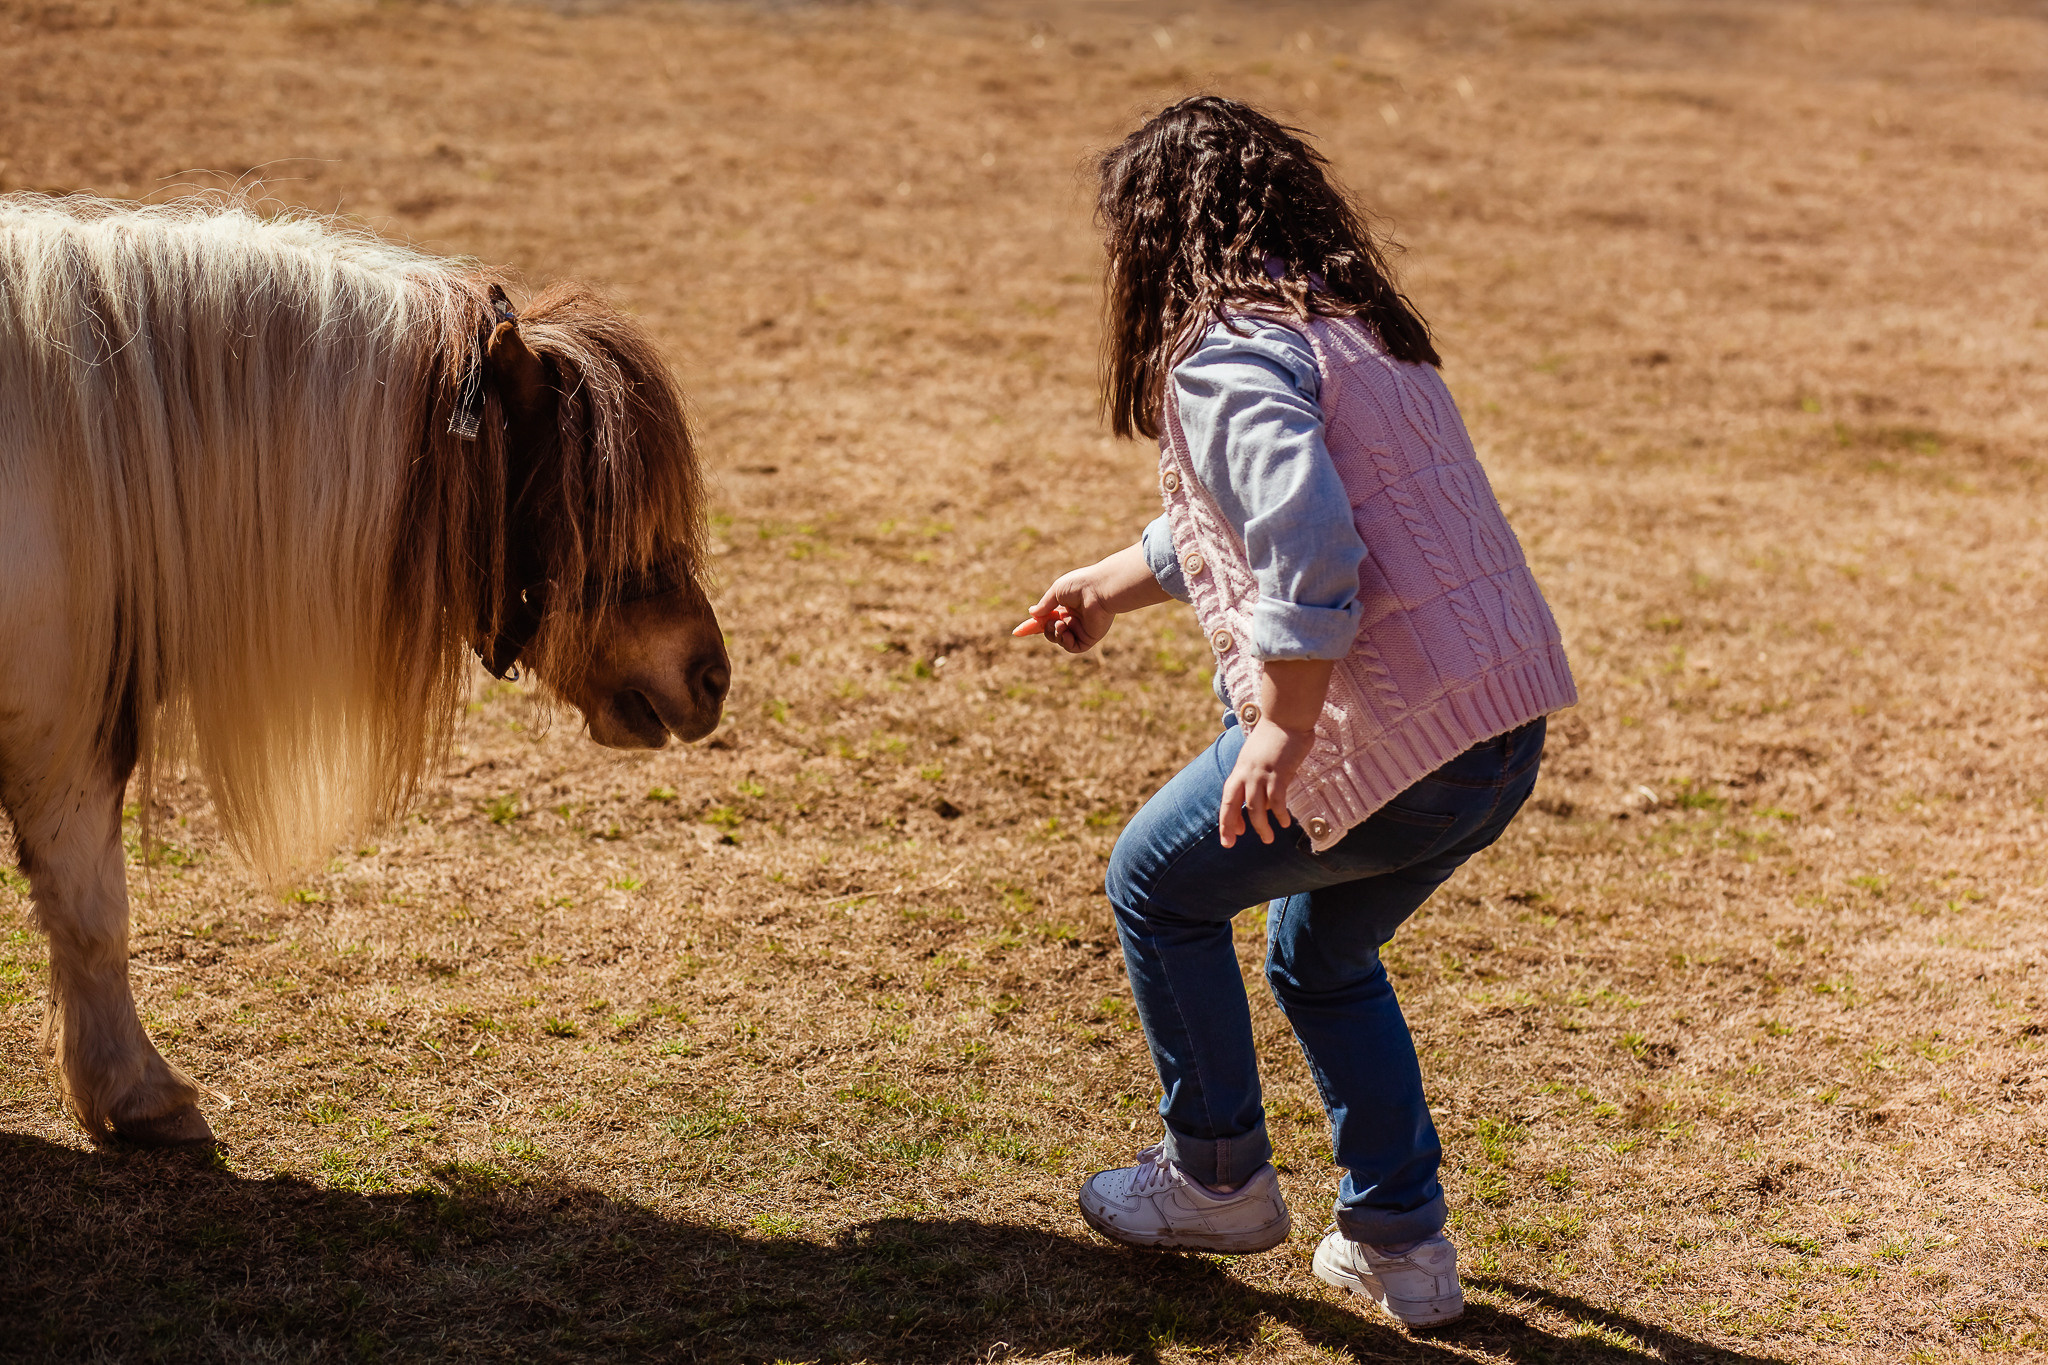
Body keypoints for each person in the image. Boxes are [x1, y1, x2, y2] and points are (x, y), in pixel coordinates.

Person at [1013, 96, 1577, 1331]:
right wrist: (1112, 582)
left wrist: (1280, 720)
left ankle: (1214, 1177)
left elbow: (1309, 531)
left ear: (1153, 241)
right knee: (1319, 954)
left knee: (1154, 887)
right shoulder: (1352, 328)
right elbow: (1259, 506)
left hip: (1387, 740)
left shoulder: (1221, 348)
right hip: (1499, 726)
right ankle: (1401, 1246)